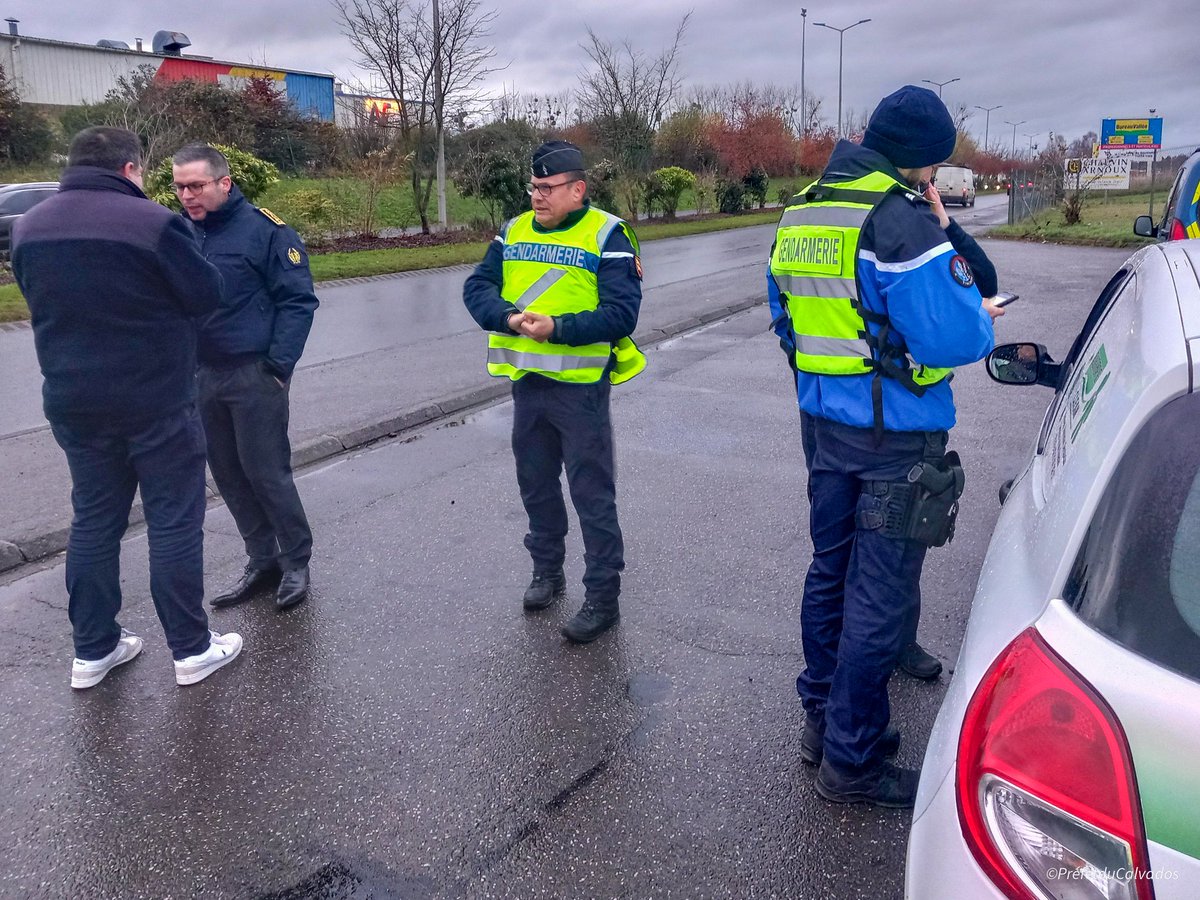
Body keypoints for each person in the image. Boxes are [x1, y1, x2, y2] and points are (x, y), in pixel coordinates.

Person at [766, 86, 1003, 807]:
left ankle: (820, 723)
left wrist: (834, 375)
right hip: (894, 435)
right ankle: (854, 759)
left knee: (829, 574)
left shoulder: (803, 207)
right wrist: (979, 316)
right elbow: (955, 336)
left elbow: (785, 317)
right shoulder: (897, 220)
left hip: (823, 427)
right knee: (878, 595)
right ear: (921, 160)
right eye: (933, 165)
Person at [11, 126, 243, 688]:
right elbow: (206, 293)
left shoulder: (27, 227)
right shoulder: (154, 224)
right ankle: (191, 649)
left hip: (73, 400)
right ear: (130, 168)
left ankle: (93, 650)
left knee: (93, 520)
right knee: (173, 520)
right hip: (155, 399)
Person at [463, 140, 645, 643]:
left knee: (592, 496)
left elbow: (621, 314)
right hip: (528, 386)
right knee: (536, 486)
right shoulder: (513, 231)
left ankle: (603, 599)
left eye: (547, 188)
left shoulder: (608, 234)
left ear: (578, 189)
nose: (537, 197)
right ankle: (547, 572)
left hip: (581, 392)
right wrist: (507, 318)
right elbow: (477, 287)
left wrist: (558, 329)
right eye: (533, 187)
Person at [171, 144, 319, 611]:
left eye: (196, 186)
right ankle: (262, 560)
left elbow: (297, 301)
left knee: (266, 473)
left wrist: (277, 368)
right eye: (179, 187)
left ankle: (295, 561)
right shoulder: (179, 233)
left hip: (254, 374)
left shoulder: (266, 231)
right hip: (203, 376)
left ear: (224, 183)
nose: (187, 196)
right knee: (229, 476)